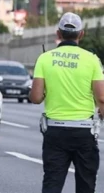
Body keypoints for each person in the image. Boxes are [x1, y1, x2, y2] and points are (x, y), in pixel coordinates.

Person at [29, 12, 104, 193]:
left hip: (55, 132)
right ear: (81, 34)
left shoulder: (45, 59)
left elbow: (36, 97)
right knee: (86, 185)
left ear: (58, 33)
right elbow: (101, 97)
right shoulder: (92, 60)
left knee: (52, 184)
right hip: (84, 132)